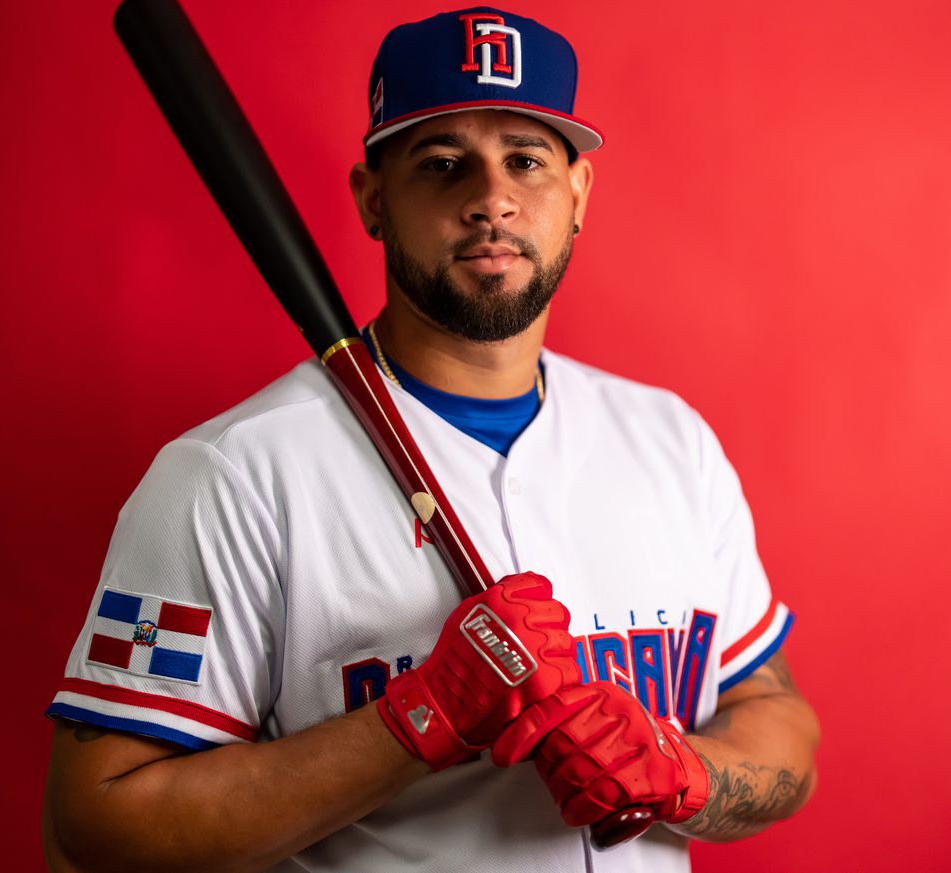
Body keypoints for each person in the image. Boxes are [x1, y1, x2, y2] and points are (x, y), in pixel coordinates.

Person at [43, 7, 819, 872]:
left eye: (525, 158)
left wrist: (688, 773)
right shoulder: (232, 474)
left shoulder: (672, 442)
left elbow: (775, 714)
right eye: (442, 163)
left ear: (579, 195)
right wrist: (414, 720)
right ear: (373, 201)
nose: (491, 197)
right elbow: (100, 825)